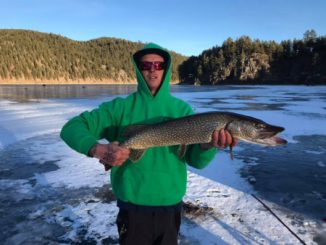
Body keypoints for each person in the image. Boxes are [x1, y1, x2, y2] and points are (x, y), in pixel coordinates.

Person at [60, 43, 237, 245]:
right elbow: (71, 128)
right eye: (146, 65)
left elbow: (196, 161)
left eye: (158, 65)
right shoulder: (120, 108)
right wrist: (97, 149)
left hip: (170, 207)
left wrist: (208, 146)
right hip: (132, 209)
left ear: (166, 69)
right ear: (138, 69)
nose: (152, 70)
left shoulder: (182, 110)